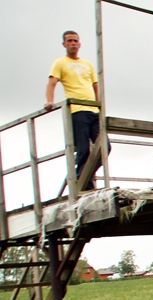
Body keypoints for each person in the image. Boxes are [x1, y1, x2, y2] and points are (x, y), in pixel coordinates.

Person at [45, 31, 109, 191]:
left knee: (105, 147)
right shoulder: (60, 63)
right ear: (64, 44)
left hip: (93, 111)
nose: (73, 43)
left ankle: (81, 176)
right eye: (69, 41)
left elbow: (95, 86)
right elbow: (52, 83)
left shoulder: (87, 64)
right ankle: (85, 185)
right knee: (83, 150)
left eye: (75, 41)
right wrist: (50, 101)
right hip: (77, 111)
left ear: (79, 44)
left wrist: (99, 106)